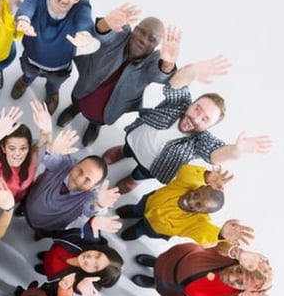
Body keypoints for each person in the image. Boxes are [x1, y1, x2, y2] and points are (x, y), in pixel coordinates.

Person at [101, 56, 272, 193]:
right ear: (191, 104)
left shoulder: (200, 141)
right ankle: (123, 152)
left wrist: (236, 152)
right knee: (125, 149)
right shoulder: (179, 105)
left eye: (205, 119)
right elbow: (177, 84)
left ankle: (134, 180)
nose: (196, 119)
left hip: (151, 168)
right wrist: (194, 70)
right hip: (134, 140)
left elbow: (214, 155)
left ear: (209, 127)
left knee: (136, 178)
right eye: (198, 109)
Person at [56, 7, 179, 145]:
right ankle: (75, 109)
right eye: (142, 32)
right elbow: (102, 34)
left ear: (156, 46)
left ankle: (94, 125)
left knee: (98, 119)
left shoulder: (153, 61)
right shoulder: (122, 33)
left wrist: (168, 62)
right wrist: (106, 23)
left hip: (108, 110)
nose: (143, 40)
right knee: (78, 102)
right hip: (84, 91)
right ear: (135, 29)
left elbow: (160, 76)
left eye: (151, 39)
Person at [23, 106, 120, 233]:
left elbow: (90, 210)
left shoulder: (90, 196)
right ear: (75, 164)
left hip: (47, 228)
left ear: (93, 187)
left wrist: (100, 205)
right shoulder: (66, 163)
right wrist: (50, 148)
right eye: (80, 171)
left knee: (42, 234)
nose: (79, 179)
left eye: (87, 180)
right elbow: (44, 156)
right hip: (28, 202)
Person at [10, 0, 93, 114]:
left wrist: (85, 35)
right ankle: (26, 81)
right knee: (28, 74)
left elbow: (85, 21)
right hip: (31, 61)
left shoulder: (82, 6)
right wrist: (23, 19)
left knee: (54, 85)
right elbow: (27, 8)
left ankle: (52, 93)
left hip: (59, 69)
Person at [131, 241, 272, 296]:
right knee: (164, 263)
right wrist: (238, 253)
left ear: (242, 290)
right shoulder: (230, 256)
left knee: (163, 285)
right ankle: (155, 263)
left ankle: (153, 283)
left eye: (240, 282)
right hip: (178, 259)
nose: (233, 276)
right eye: (239, 270)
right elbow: (223, 245)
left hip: (178, 290)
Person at [117, 164, 255, 245]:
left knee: (142, 229)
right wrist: (207, 175)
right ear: (200, 187)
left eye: (199, 205)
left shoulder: (198, 222)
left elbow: (204, 233)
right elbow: (186, 171)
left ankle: (138, 230)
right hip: (148, 203)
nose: (191, 200)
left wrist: (220, 235)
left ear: (203, 212)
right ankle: (134, 212)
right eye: (196, 195)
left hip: (155, 228)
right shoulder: (188, 184)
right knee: (137, 209)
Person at [34, 217, 124, 296]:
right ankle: (45, 256)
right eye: (97, 255)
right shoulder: (87, 244)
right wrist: (94, 222)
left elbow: (79, 286)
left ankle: (44, 268)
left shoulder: (77, 279)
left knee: (46, 268)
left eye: (95, 267)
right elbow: (89, 229)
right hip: (54, 252)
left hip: (52, 271)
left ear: (93, 276)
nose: (89, 259)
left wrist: (80, 287)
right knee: (47, 256)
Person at [0, 102, 49, 208]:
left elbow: (43, 142)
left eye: (23, 148)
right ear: (3, 148)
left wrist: (46, 130)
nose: (18, 154)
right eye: (12, 148)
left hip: (20, 196)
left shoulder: (31, 157)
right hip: (0, 199)